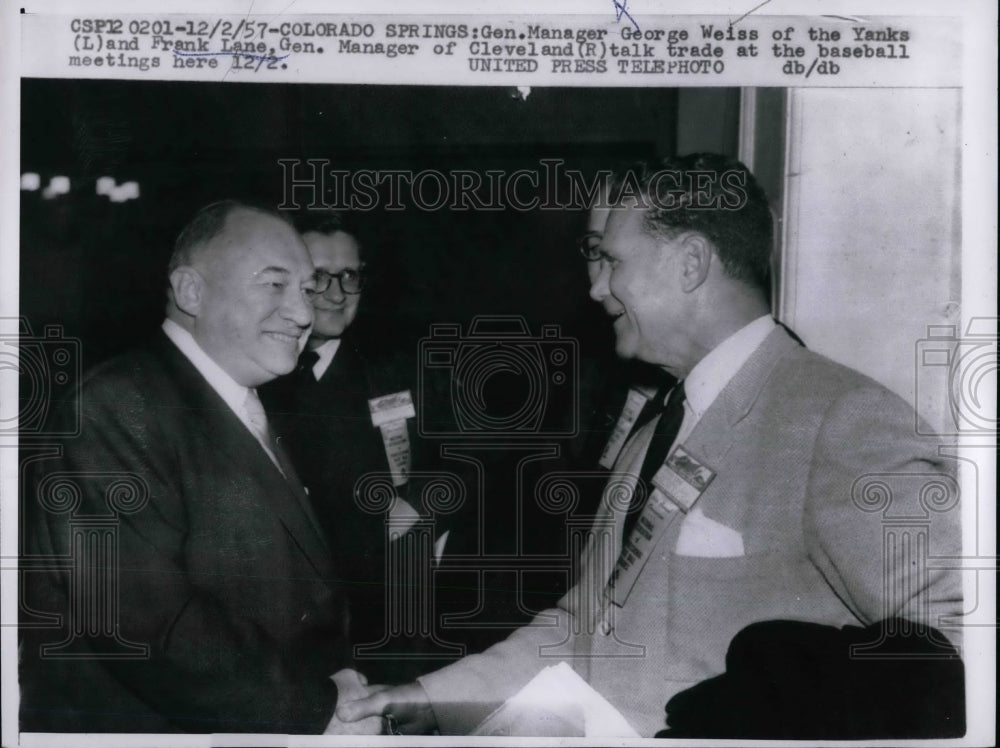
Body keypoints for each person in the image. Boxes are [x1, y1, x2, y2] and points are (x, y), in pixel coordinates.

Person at [337, 154, 964, 737]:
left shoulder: (840, 418)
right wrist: (426, 695)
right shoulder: (655, 431)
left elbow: (950, 655)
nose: (595, 289)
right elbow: (582, 626)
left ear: (689, 263)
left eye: (613, 261)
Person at [20, 201, 380, 734]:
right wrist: (317, 709)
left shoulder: (244, 396)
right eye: (274, 284)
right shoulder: (115, 407)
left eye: (305, 290)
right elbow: (146, 624)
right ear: (191, 291)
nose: (304, 314)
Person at [261, 212, 434, 684]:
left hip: (383, 621)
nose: (336, 295)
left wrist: (419, 503)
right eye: (319, 278)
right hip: (280, 623)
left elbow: (462, 461)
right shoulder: (254, 375)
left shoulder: (397, 369)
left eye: (349, 276)